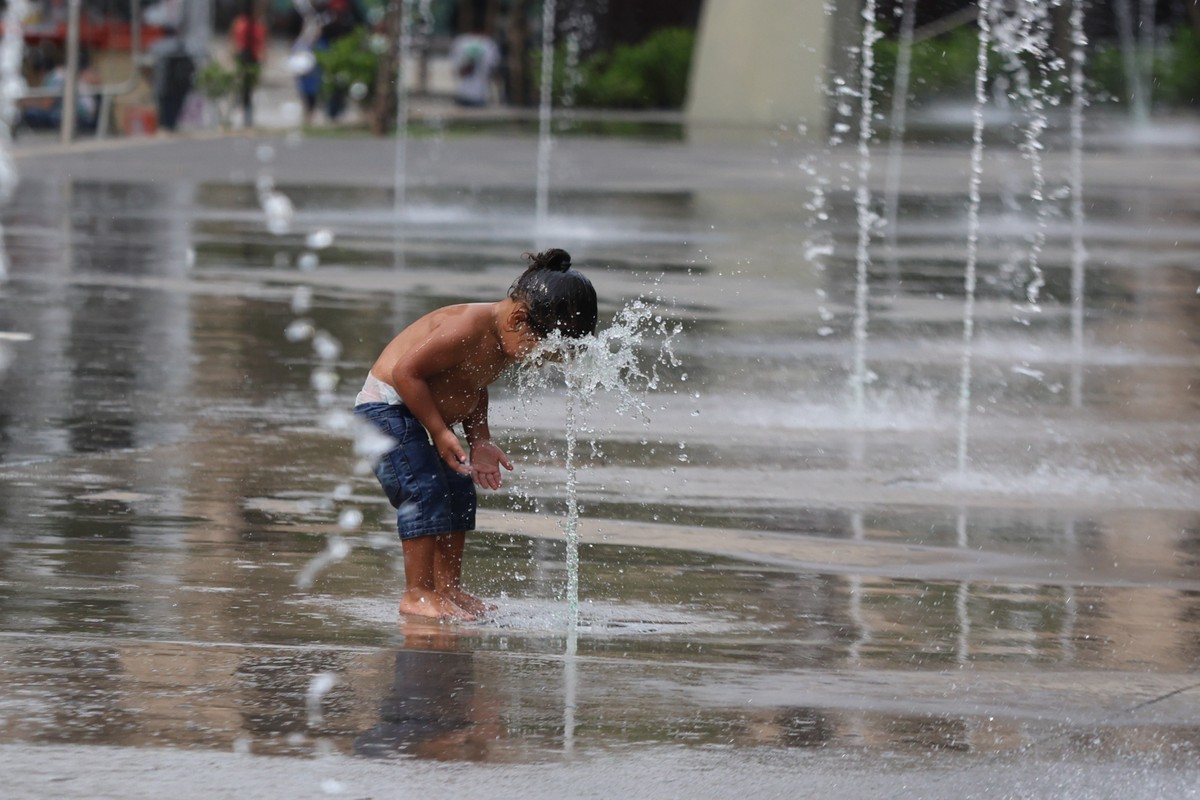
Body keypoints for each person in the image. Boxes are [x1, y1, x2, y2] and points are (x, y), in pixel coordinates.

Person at [353, 249, 598, 621]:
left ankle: (447, 589)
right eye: (542, 350)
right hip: (387, 410)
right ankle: (417, 593)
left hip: (425, 420)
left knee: (459, 490)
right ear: (519, 318)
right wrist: (438, 431)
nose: (539, 360)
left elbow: (473, 386)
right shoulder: (467, 325)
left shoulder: (503, 341)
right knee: (424, 492)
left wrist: (480, 440)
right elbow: (407, 373)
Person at [230, 0, 267, 128]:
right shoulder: (242, 23)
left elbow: (261, 42)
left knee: (248, 89)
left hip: (252, 57)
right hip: (245, 57)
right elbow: (235, 41)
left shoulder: (256, 24)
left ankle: (246, 116)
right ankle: (240, 115)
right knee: (243, 88)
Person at [450, 26, 500, 107]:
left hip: (471, 95)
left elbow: (455, 68)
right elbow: (493, 68)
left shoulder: (461, 41)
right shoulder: (488, 44)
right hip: (476, 96)